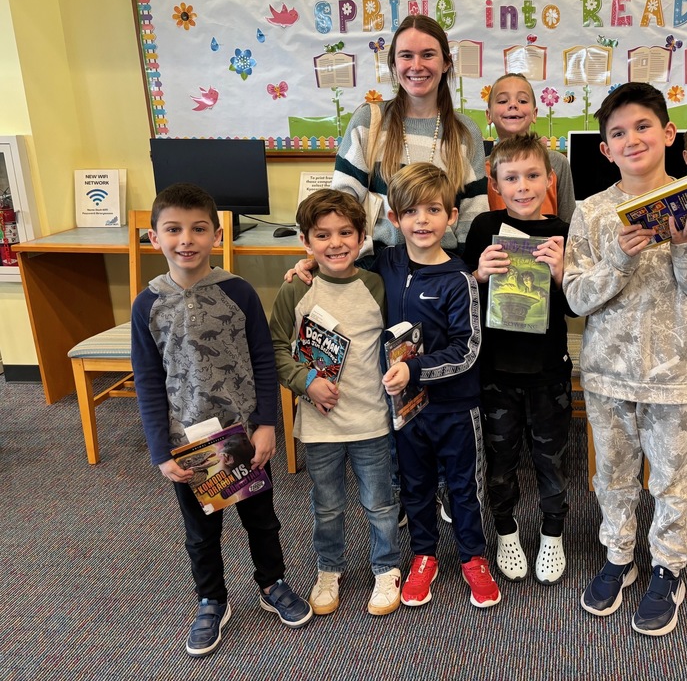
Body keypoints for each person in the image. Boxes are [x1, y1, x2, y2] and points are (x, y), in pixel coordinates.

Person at [562, 82, 687, 636]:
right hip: (607, 371)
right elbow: (578, 298)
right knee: (611, 475)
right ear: (605, 149)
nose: (631, 139)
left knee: (672, 478)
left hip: (674, 373)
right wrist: (616, 259)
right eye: (617, 133)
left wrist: (685, 250)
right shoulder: (591, 212)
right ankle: (619, 555)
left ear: (668, 134)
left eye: (642, 127)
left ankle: (668, 566)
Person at [131, 183, 312, 658]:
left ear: (215, 234)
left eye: (198, 229)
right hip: (188, 443)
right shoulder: (147, 306)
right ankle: (211, 598)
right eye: (173, 229)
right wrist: (159, 451)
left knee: (261, 519)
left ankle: (271, 584)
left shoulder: (238, 292)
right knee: (201, 531)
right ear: (155, 237)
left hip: (245, 435)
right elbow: (148, 381)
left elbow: (263, 360)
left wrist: (267, 423)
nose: (185, 239)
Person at [269, 190, 401, 618]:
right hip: (320, 424)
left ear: (363, 236)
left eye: (346, 232)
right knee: (327, 504)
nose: (335, 243)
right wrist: (306, 382)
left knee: (380, 503)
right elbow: (274, 348)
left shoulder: (375, 285)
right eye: (322, 235)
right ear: (305, 243)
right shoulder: (296, 289)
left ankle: (386, 568)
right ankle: (330, 569)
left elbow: (396, 339)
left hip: (371, 419)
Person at [375, 161, 501, 609]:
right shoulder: (385, 263)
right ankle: (424, 556)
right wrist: (309, 264)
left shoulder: (459, 278)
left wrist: (417, 369)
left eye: (433, 210)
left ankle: (473, 557)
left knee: (464, 486)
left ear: (451, 215)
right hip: (406, 411)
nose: (422, 220)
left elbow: (467, 351)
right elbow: (343, 265)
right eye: (411, 212)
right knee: (416, 486)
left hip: (455, 409)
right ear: (395, 219)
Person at [463, 133, 573, 585]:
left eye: (532, 176)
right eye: (511, 178)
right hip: (495, 372)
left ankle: (552, 533)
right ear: (496, 182)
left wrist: (563, 273)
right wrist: (478, 275)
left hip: (549, 371)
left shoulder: (564, 231)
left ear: (549, 179)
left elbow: (578, 307)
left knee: (552, 459)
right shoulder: (483, 229)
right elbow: (461, 299)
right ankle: (506, 531)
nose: (523, 186)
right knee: (499, 458)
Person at [330, 13, 488, 261]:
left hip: (443, 272)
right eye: (406, 55)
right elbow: (340, 205)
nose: (416, 66)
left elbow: (472, 217)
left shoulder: (465, 132)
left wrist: (467, 275)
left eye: (427, 54)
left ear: (446, 62)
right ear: (393, 63)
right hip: (378, 270)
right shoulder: (368, 121)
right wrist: (325, 260)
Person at [484, 72, 576, 223]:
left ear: (534, 114)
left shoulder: (557, 162)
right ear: (489, 115)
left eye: (522, 100)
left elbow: (569, 223)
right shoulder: (480, 168)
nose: (513, 105)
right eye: (502, 101)